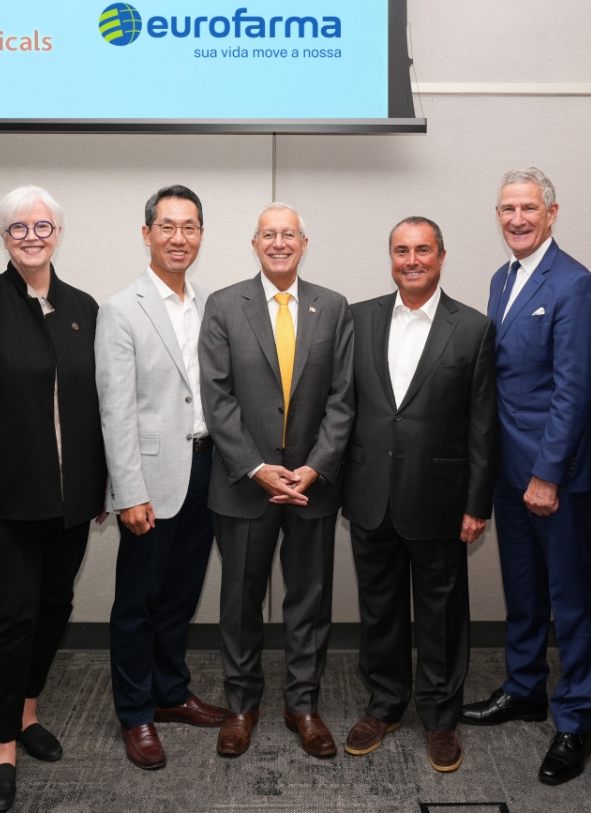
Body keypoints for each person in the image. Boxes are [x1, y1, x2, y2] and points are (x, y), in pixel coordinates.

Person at [0, 186, 106, 813]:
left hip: (70, 500)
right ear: (4, 237)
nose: (32, 236)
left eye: (43, 226)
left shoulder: (83, 307)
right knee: (11, 618)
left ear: (57, 234)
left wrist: (99, 485)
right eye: (19, 227)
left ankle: (28, 711)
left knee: (54, 607)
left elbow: (96, 404)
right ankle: (2, 745)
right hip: (4, 502)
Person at [460, 168, 591, 785]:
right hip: (508, 470)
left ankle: (574, 719)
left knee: (569, 599)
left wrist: (546, 475)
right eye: (506, 209)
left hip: (554, 474)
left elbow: (574, 390)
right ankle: (524, 690)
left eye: (527, 208)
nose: (516, 219)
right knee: (522, 591)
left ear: (551, 212)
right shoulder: (504, 278)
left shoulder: (574, 284)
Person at [198, 203, 355, 759]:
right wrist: (257, 468)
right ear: (255, 243)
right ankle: (242, 705)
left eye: (290, 234)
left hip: (312, 484)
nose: (280, 243)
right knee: (241, 601)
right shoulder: (224, 305)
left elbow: (343, 397)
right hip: (244, 484)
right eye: (269, 234)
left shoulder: (332, 306)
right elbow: (216, 397)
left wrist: (315, 465)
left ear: (304, 243)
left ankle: (302, 705)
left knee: (309, 601)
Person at [342, 217, 497, 773]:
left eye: (423, 250)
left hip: (440, 498)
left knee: (441, 612)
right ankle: (384, 704)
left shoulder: (473, 327)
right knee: (379, 608)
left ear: (441, 256)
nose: (412, 260)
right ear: (391, 258)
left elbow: (483, 424)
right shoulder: (358, 318)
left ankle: (440, 717)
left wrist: (477, 503)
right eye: (402, 250)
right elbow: (344, 406)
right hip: (370, 493)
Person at [96, 185, 229, 771]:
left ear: (201, 235)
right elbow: (115, 410)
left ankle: (170, 692)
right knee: (137, 604)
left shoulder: (211, 306)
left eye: (190, 227)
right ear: (147, 233)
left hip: (207, 470)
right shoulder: (121, 309)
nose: (179, 238)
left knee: (180, 596)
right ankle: (135, 713)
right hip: (150, 480)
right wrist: (128, 492)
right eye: (168, 226)